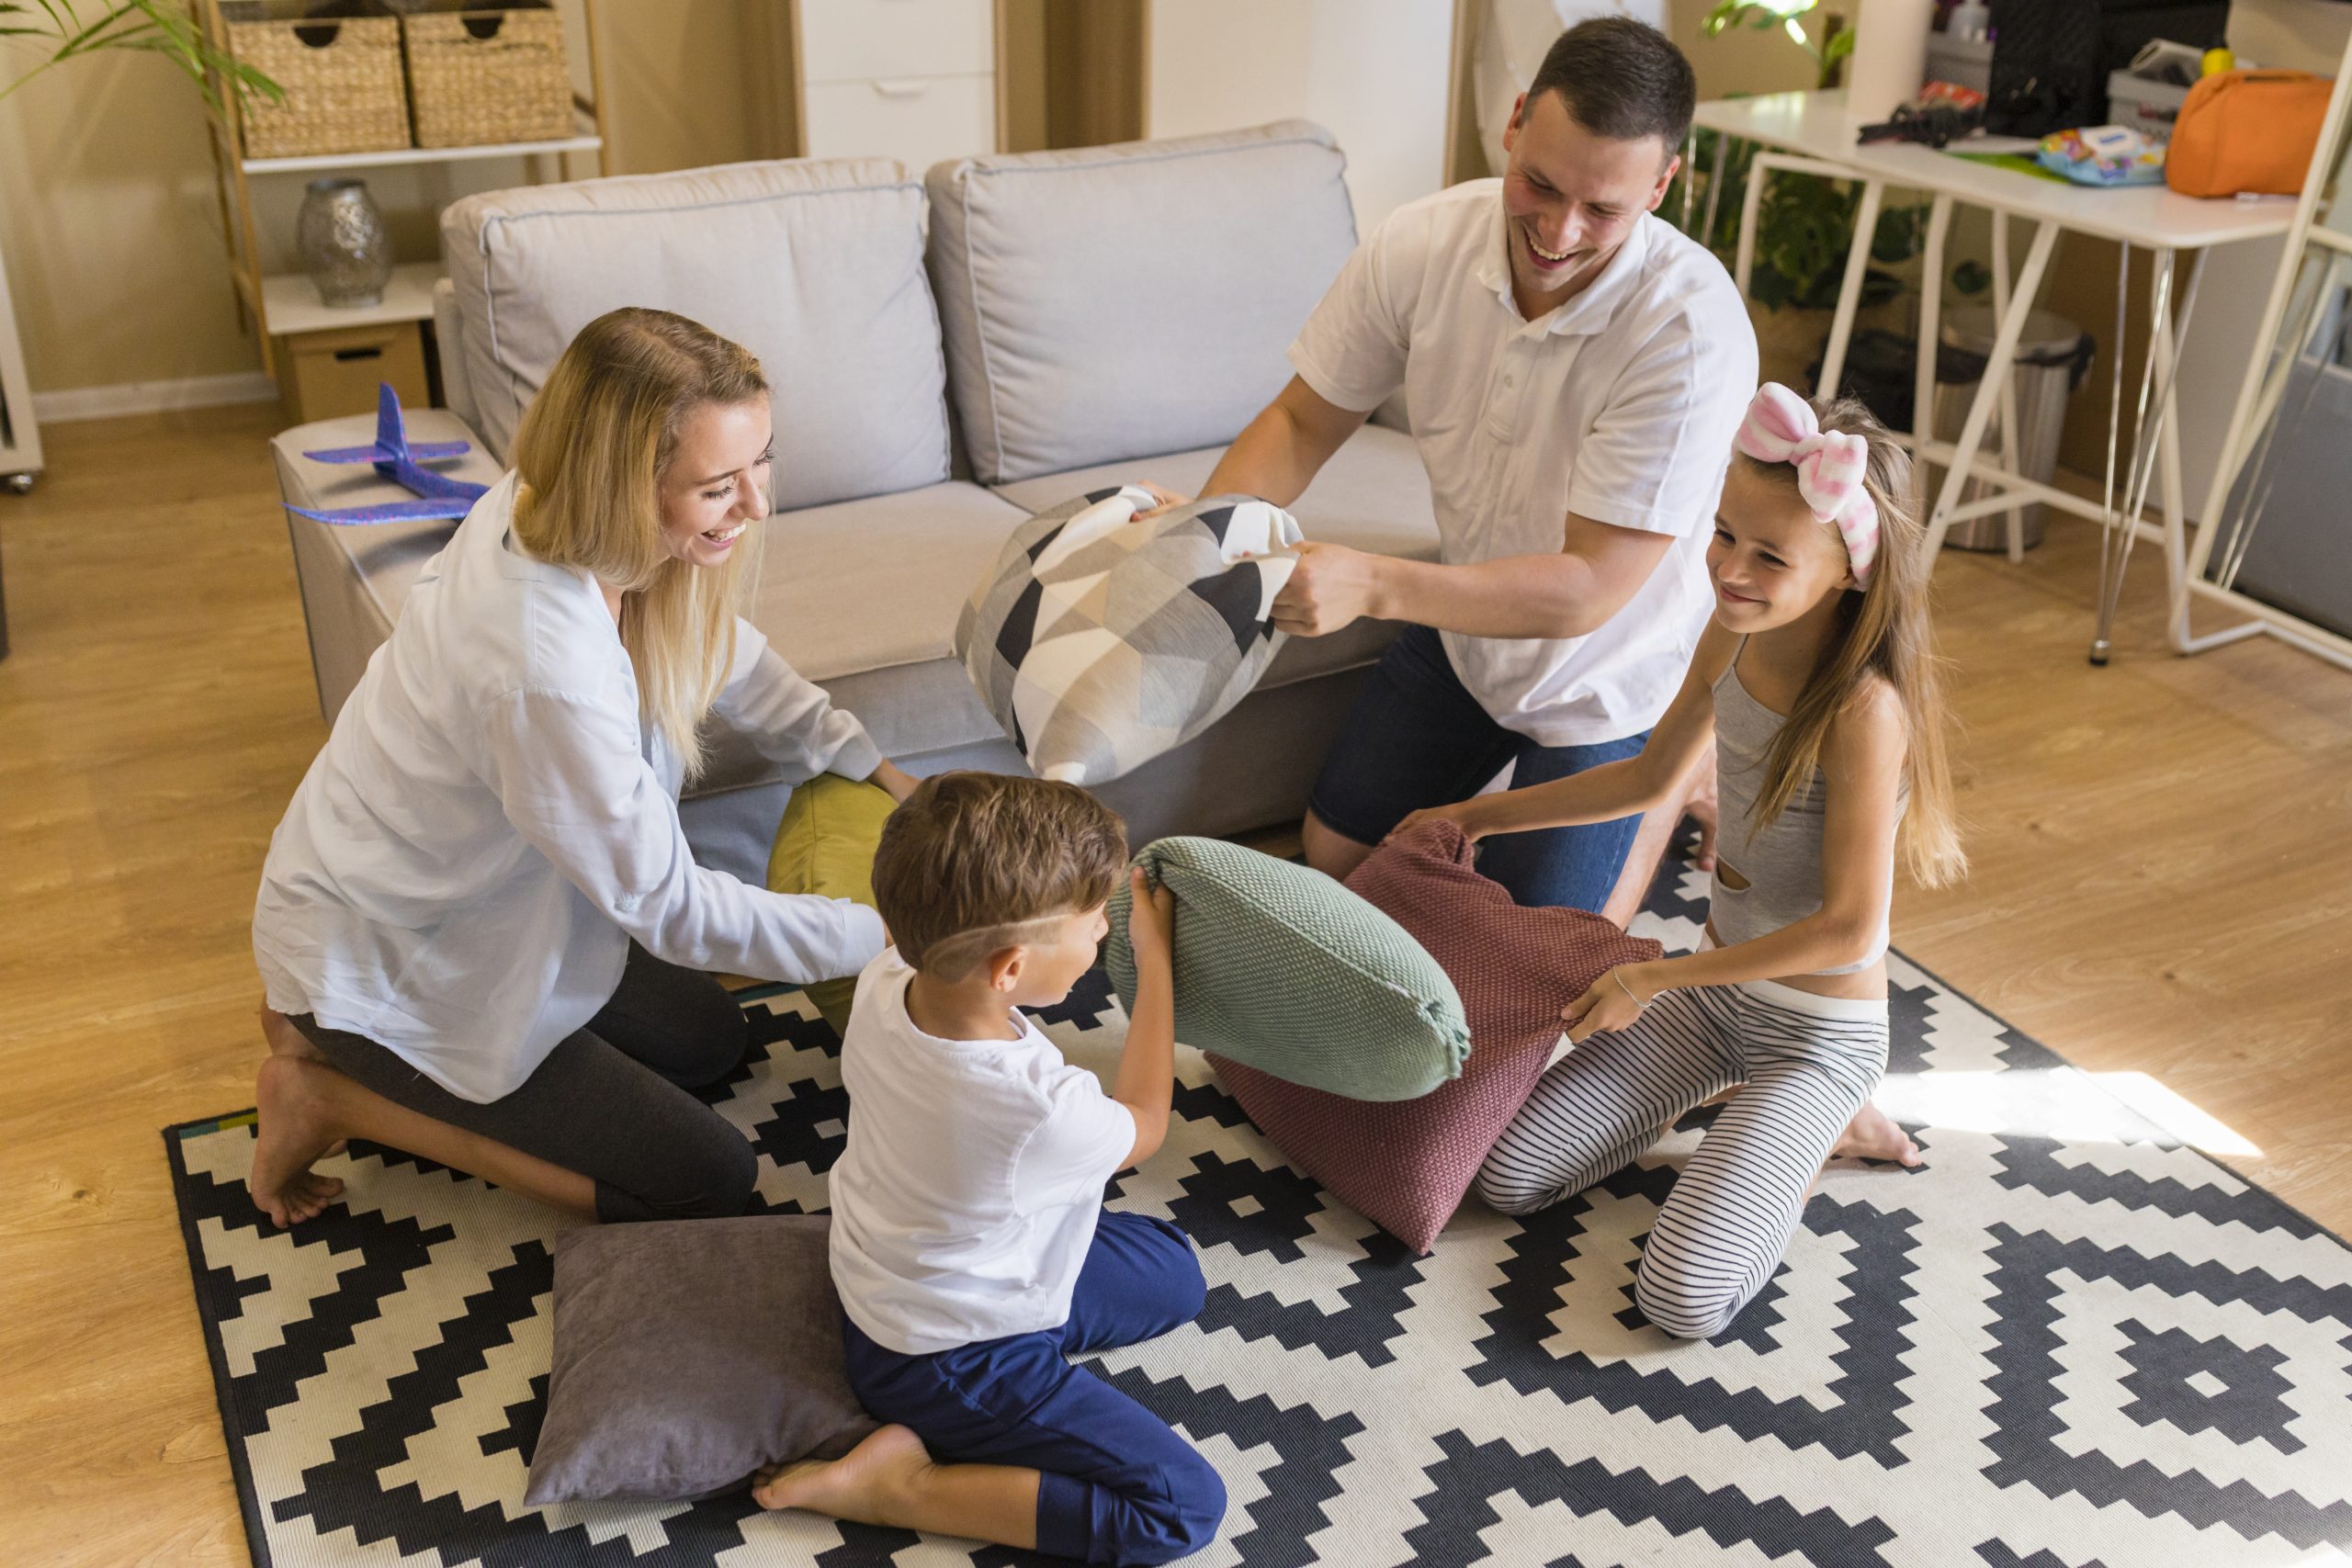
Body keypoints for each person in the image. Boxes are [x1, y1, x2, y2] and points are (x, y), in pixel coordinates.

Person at [247, 307, 917, 1229]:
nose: (756, 504)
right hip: (387, 959)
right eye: (721, 484)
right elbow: (672, 910)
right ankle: (329, 1094)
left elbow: (726, 653)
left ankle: (336, 1051)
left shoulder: (552, 503)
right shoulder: (542, 668)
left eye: (759, 462)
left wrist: (871, 764)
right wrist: (888, 935)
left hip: (492, 911)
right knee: (705, 1181)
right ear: (624, 484)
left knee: (713, 1042)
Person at [1146, 17, 1754, 925]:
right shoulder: (1422, 242)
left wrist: (1370, 583)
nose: (1557, 230)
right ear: (1514, 122)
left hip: (1613, 680)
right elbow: (1303, 420)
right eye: (1539, 185)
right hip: (1468, 631)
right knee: (1337, 857)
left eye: (1602, 208)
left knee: (1542, 955)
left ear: (1663, 183)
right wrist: (1203, 534)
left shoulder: (1688, 333)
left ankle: (1665, 774)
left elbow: (1587, 590)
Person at [1399, 385, 1963, 1339]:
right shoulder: (1733, 631)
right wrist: (1473, 814)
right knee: (1504, 1177)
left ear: (1851, 573)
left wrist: (1649, 980)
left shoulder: (1865, 714)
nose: (1729, 570)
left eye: (1769, 555)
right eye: (1724, 535)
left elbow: (1848, 930)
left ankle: (1827, 1117)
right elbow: (1648, 777)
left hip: (1816, 1034)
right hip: (1709, 1000)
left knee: (1682, 1301)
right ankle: (1735, 1110)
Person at [756, 773, 1224, 1566]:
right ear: (1009, 968)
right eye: (1092, 928)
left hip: (917, 1263)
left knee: (1176, 1276)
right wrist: (1155, 962)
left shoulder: (888, 975)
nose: (1101, 940)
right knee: (1183, 1508)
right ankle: (899, 1486)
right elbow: (1147, 1118)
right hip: (936, 1352)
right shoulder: (1040, 1107)